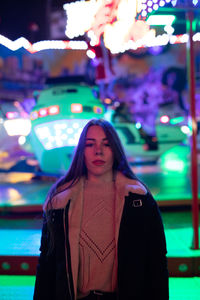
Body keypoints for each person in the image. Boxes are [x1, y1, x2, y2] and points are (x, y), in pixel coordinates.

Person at [34, 118, 169, 300]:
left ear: (115, 150)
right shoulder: (60, 201)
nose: (98, 151)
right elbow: (47, 266)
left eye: (106, 144)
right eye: (90, 144)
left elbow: (156, 261)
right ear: (82, 151)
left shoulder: (139, 200)